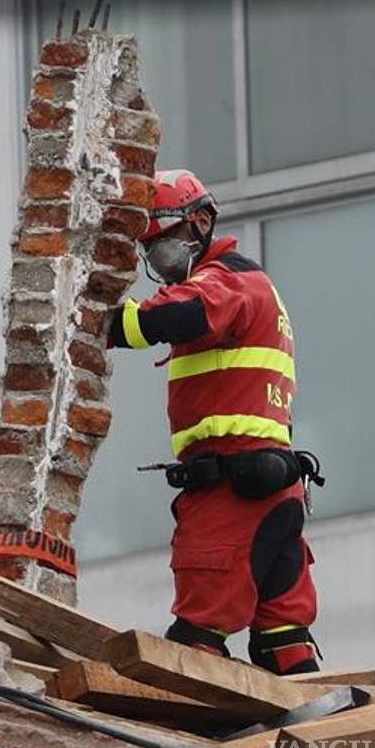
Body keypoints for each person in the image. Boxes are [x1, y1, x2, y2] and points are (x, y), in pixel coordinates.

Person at [108, 169, 324, 675]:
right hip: (273, 491)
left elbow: (174, 317)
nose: (158, 256)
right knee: (283, 638)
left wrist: (99, 321)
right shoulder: (249, 284)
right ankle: (317, 747)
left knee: (194, 641)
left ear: (200, 222)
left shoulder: (226, 280)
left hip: (230, 493)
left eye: (162, 240)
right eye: (151, 248)